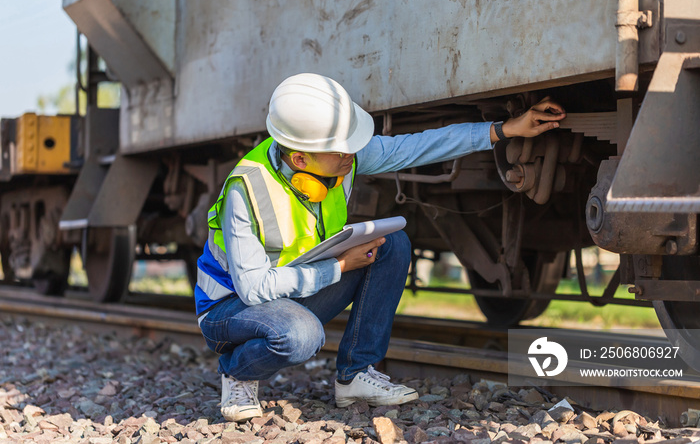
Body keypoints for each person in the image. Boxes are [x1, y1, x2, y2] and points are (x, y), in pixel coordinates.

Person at [195, 73, 566, 422]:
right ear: (300, 160)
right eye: (342, 150)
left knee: (390, 244)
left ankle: (354, 375)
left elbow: (418, 146)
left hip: (294, 285)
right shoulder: (245, 192)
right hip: (229, 308)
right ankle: (236, 373)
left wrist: (503, 130)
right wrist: (338, 267)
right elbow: (255, 289)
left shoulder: (338, 160)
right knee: (300, 336)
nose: (351, 155)